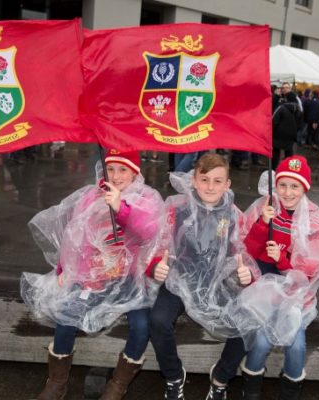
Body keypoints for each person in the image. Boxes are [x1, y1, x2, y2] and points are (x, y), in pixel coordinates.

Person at [20, 149, 166, 400]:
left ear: (135, 172)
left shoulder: (146, 199)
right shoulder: (91, 196)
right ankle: (57, 382)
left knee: (141, 327)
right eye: (111, 169)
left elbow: (149, 232)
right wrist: (65, 268)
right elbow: (74, 237)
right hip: (94, 276)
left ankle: (118, 385)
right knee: (66, 317)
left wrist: (122, 208)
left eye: (123, 170)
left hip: (131, 280)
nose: (116, 175)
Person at [208, 156, 319, 400]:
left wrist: (283, 260)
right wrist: (262, 223)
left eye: (294, 186)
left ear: (305, 188)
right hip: (263, 289)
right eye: (283, 185)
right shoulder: (264, 206)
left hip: (294, 294)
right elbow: (246, 248)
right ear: (275, 185)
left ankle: (289, 391)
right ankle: (248, 386)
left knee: (296, 346)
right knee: (260, 341)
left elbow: (311, 270)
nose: (287, 192)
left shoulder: (315, 220)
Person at [149, 153, 258, 400]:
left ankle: (220, 378)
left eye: (218, 181)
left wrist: (246, 274)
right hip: (180, 280)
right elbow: (157, 246)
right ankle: (174, 376)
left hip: (217, 282)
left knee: (246, 323)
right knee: (157, 320)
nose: (210, 186)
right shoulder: (177, 209)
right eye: (204, 179)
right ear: (194, 181)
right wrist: (156, 266)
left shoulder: (234, 216)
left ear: (228, 184)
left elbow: (244, 253)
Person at [271, 92, 302, 169]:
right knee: (289, 153)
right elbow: (300, 124)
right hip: (291, 135)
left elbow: (274, 121)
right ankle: (290, 169)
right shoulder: (299, 109)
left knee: (275, 153)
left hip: (278, 134)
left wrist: (272, 132)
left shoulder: (281, 108)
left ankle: (273, 170)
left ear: (286, 98)